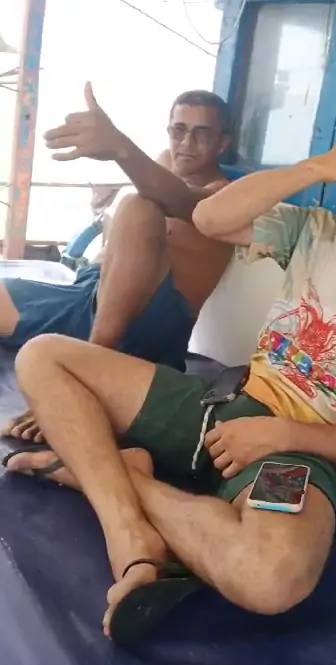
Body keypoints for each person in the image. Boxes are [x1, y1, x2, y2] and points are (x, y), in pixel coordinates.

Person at [3, 117, 336, 648]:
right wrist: (317, 168)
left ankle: (106, 473)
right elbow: (209, 217)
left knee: (269, 578)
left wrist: (282, 435)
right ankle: (128, 531)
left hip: (298, 456)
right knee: (43, 356)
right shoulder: (312, 230)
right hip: (225, 406)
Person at [1, 84, 232, 441]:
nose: (186, 143)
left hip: (147, 324)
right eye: (179, 130)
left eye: (201, 134)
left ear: (222, 143)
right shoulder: (164, 164)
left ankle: (86, 372)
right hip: (90, 296)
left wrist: (120, 147)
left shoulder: (223, 197)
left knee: (136, 206)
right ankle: (82, 357)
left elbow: (186, 203)